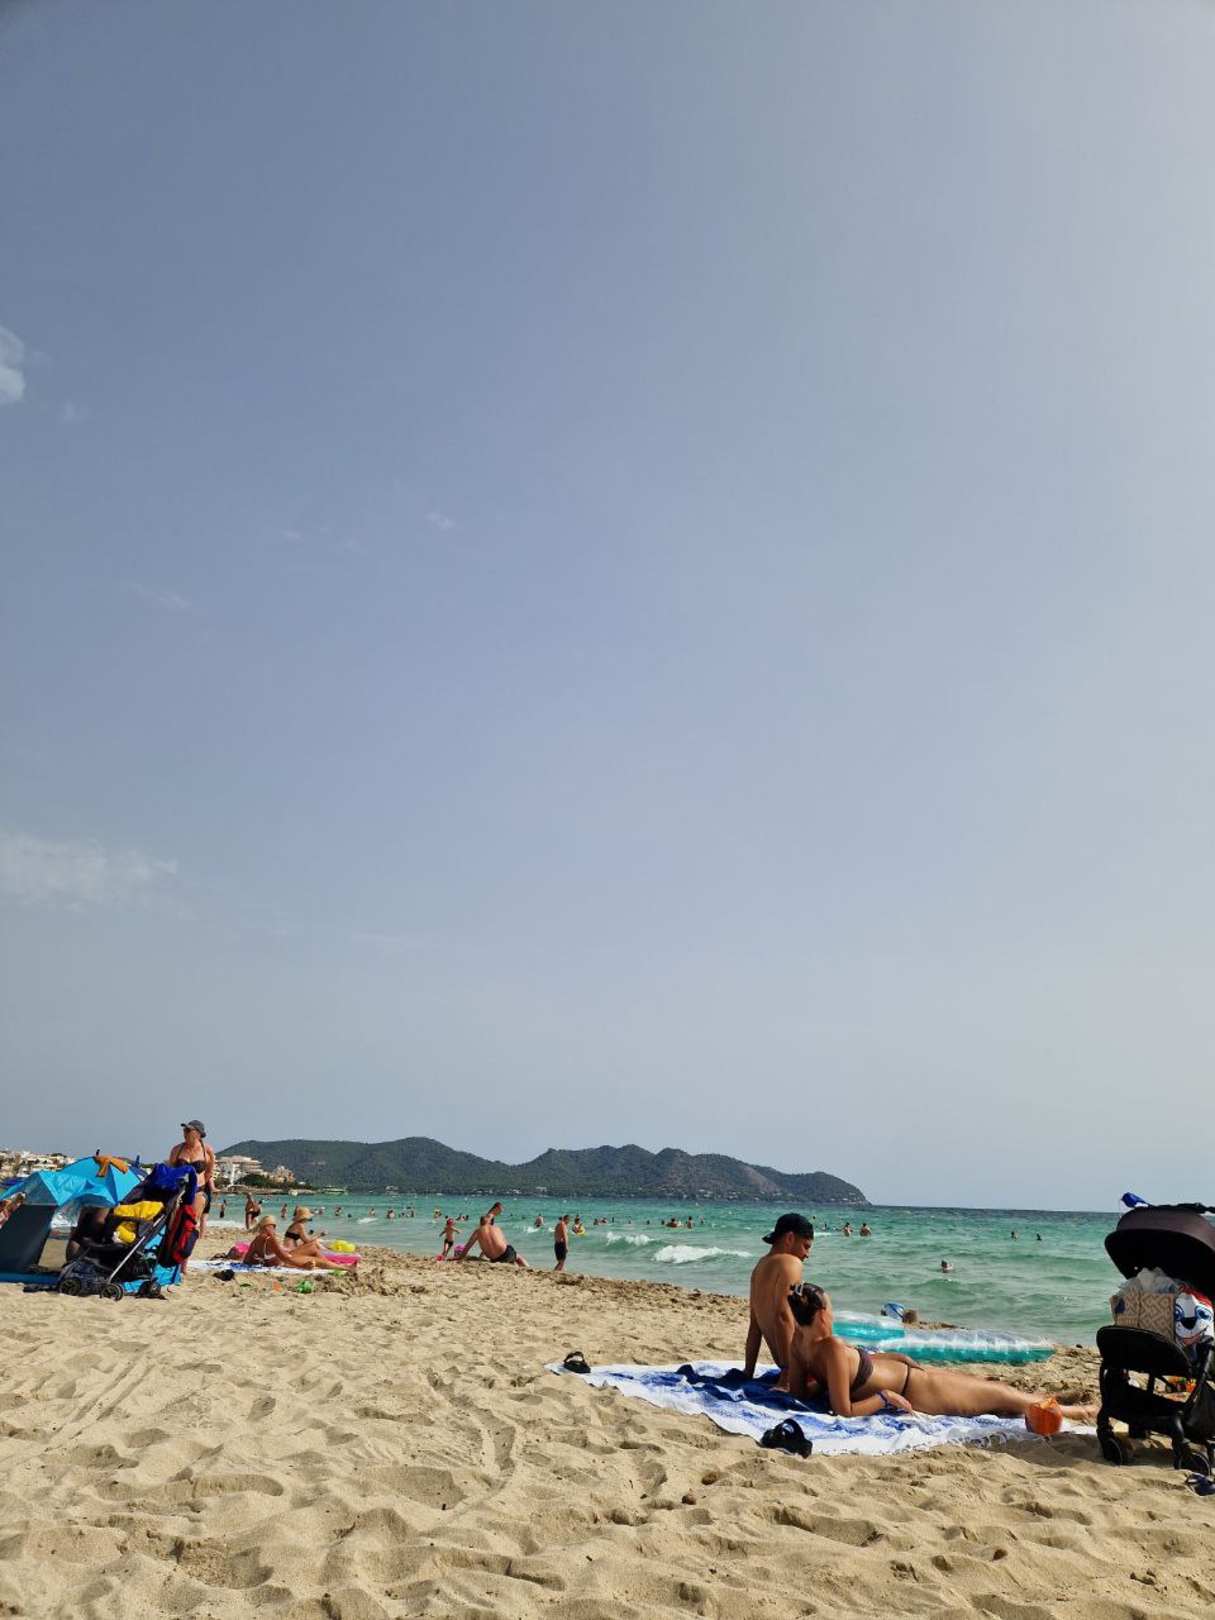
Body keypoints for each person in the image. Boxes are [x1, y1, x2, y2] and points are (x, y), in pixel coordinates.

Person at [785, 1283, 1096, 1425]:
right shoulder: (832, 1347)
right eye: (831, 1308)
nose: (833, 1313)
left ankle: (1054, 1399)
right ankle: (1080, 1412)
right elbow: (844, 1412)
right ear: (822, 1314)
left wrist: (886, 1360)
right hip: (917, 1390)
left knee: (996, 1391)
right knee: (1003, 1397)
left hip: (911, 1376)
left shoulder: (799, 1344)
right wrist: (884, 1397)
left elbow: (801, 1392)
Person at [742, 1213, 814, 1388]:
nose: (807, 1254)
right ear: (790, 1238)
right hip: (808, 1369)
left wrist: (748, 1372)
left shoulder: (760, 1266)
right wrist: (788, 1374)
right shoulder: (791, 1263)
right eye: (806, 1246)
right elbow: (783, 1317)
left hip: (788, 1363)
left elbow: (755, 1327)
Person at [168, 1120, 214, 1270]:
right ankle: (169, 1257)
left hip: (198, 1191)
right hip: (179, 1190)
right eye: (184, 1130)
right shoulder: (177, 1149)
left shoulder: (207, 1150)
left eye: (189, 1130)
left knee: (190, 1225)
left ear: (198, 1133)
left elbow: (209, 1172)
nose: (185, 1133)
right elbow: (170, 1170)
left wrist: (201, 1184)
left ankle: (184, 1265)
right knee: (172, 1224)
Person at [233, 1217, 342, 1270]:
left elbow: (247, 1260)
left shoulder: (256, 1240)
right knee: (315, 1254)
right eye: (273, 1227)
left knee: (312, 1247)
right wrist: (302, 1266)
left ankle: (331, 1264)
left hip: (279, 1260)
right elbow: (285, 1258)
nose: (274, 1229)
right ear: (268, 1227)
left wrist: (260, 1261)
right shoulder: (270, 1239)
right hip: (283, 1262)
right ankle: (342, 1268)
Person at [458, 1212, 528, 1267]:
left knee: (510, 1257)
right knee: (518, 1257)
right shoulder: (496, 1228)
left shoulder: (477, 1231)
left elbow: (468, 1247)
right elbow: (504, 1244)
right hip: (506, 1254)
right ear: (491, 1222)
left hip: (494, 1260)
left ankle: (513, 1263)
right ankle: (527, 1267)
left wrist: (460, 1257)